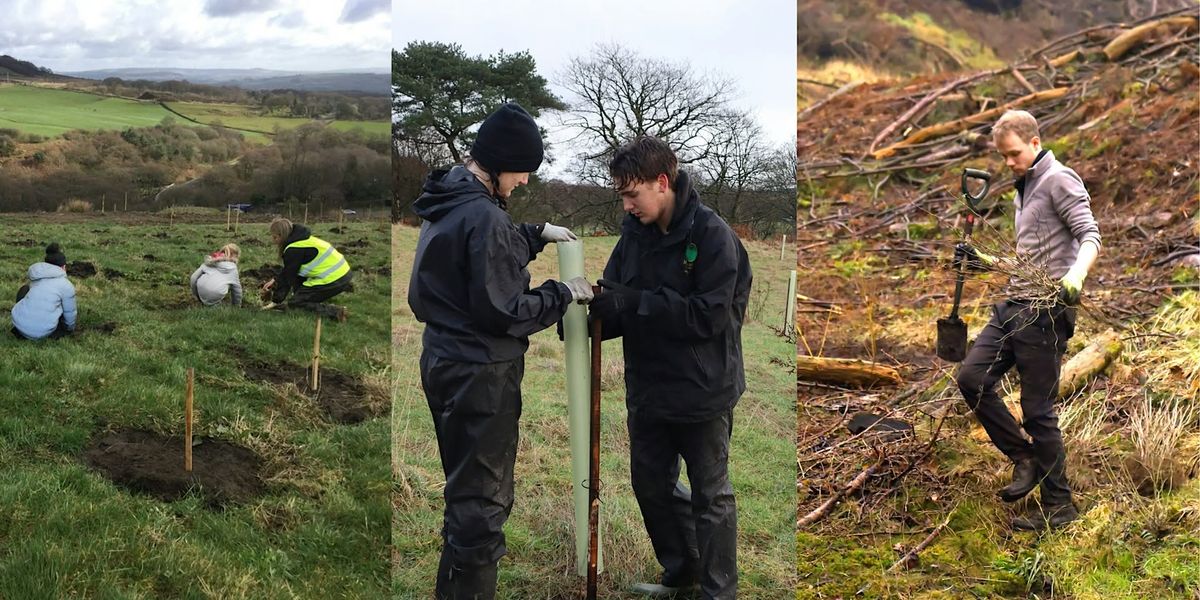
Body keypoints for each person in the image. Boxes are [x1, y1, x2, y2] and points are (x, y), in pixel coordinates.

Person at [408, 102, 593, 600]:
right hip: (480, 377)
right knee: (483, 502)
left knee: (463, 490)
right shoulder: (481, 216)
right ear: (498, 163)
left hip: (445, 362)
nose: (527, 182)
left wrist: (534, 234)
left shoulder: (449, 201)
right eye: (523, 170)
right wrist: (562, 292)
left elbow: (482, 254)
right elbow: (505, 309)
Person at [588, 135, 752, 599]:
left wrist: (635, 303)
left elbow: (710, 317)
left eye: (631, 194)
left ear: (662, 183)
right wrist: (590, 320)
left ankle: (719, 593)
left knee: (711, 496)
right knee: (651, 486)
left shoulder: (712, 235)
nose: (626, 205)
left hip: (704, 389)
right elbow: (617, 297)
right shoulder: (633, 235)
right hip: (649, 389)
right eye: (620, 194)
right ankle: (683, 574)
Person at [954, 110, 1101, 531]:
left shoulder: (1059, 179)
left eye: (1014, 153)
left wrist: (1075, 276)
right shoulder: (1025, 187)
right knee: (972, 377)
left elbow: (1090, 235)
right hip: (1014, 303)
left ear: (1035, 143)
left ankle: (1060, 508)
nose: (1008, 163)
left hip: (1045, 310)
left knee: (1038, 411)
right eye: (1002, 156)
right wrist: (984, 261)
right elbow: (1027, 258)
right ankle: (1025, 456)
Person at [261, 218, 351, 321]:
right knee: (299, 298)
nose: (273, 241)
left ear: (282, 235)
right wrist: (275, 280)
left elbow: (288, 278)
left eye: (275, 237)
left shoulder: (294, 249)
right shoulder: (301, 239)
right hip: (343, 273)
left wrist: (275, 301)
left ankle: (336, 312)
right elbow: (292, 271)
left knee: (296, 303)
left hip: (333, 279)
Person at [11, 243, 77, 340]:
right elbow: (70, 313)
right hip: (42, 333)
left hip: (19, 327)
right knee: (64, 305)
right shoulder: (66, 285)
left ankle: (24, 323)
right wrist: (69, 329)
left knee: (25, 289)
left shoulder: (37, 277)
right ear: (63, 267)